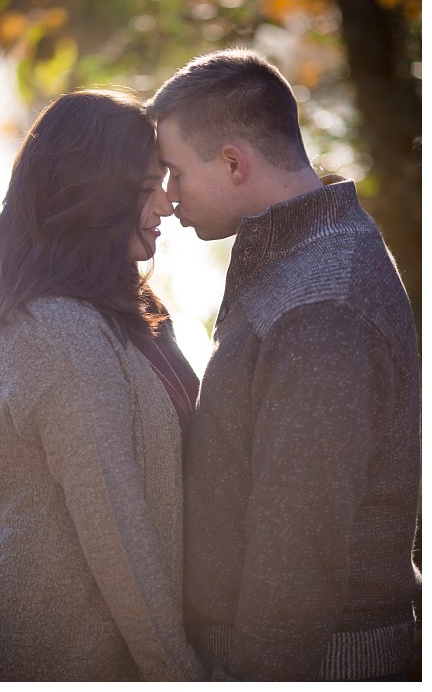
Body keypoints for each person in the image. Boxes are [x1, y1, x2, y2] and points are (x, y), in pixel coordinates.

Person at [145, 49, 420, 681]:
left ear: (233, 163)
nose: (168, 198)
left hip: (313, 663)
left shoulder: (320, 305)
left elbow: (299, 552)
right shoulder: (303, 259)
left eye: (176, 173)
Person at [0, 90, 207, 681]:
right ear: (99, 193)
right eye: (149, 186)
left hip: (111, 643)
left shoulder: (123, 309)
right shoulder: (57, 331)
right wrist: (177, 669)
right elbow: (115, 522)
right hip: (54, 649)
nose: (167, 203)